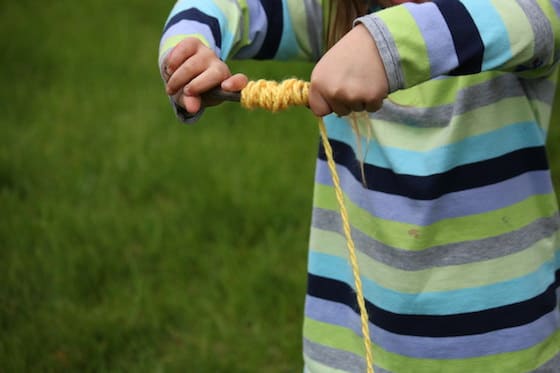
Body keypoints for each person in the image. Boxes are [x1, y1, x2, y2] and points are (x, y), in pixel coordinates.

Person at [159, 0, 560, 371]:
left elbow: (532, 19)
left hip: (505, 353)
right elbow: (227, 5)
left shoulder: (517, 16)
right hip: (351, 352)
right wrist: (190, 49)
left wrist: (384, 44)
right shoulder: (335, 16)